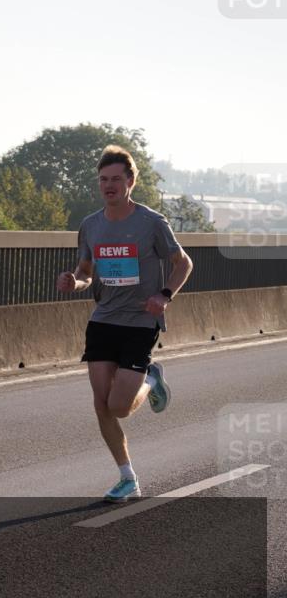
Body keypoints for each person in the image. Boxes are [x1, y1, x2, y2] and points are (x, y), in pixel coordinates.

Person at [57, 145, 193, 503]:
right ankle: (127, 477)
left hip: (140, 322)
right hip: (103, 320)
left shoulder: (151, 223)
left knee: (119, 406)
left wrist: (164, 295)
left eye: (116, 179)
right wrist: (75, 281)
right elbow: (86, 272)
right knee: (101, 404)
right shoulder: (91, 225)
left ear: (131, 182)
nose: (109, 185)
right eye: (103, 180)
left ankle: (152, 379)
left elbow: (183, 263)